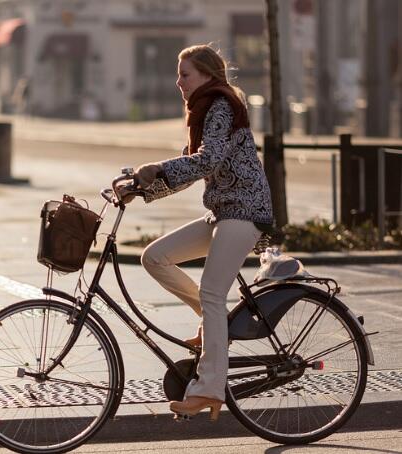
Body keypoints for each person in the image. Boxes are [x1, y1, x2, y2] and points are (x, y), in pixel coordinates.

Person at [123, 44, 274, 420]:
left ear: (207, 75)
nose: (178, 82)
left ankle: (208, 389)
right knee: (155, 257)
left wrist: (157, 167)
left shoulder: (220, 105)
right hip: (224, 212)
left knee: (211, 291)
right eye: (178, 75)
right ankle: (212, 324)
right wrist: (141, 189)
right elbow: (193, 169)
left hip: (244, 210)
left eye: (185, 74)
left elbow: (208, 160)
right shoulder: (205, 110)